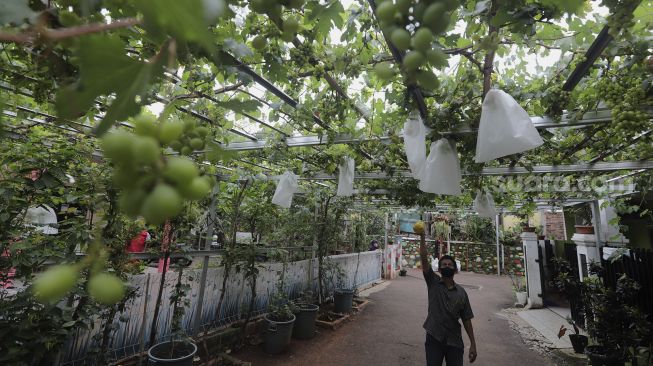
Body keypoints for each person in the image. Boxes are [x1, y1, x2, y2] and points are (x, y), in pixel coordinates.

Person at [419, 230, 477, 366]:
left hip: (454, 340)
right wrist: (422, 236)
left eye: (449, 265)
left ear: (455, 270)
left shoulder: (462, 293)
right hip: (434, 337)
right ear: (439, 270)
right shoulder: (433, 283)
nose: (446, 266)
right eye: (444, 265)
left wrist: (473, 344)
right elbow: (424, 259)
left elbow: (466, 319)